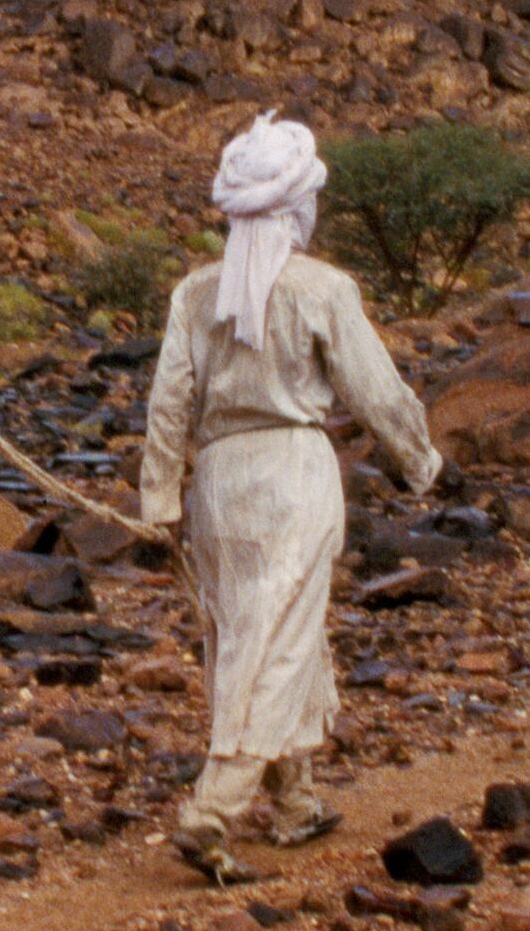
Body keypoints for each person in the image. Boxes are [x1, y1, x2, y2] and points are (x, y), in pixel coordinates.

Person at [133, 111, 442, 884]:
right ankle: (212, 809)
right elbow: (377, 391)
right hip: (294, 477)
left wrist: (161, 497)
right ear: (298, 206)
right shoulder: (323, 288)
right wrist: (420, 460)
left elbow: (168, 404)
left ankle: (296, 801)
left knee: (249, 632)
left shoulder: (193, 295)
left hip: (220, 483)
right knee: (276, 640)